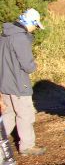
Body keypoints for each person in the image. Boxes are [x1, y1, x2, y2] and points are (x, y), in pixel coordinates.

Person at [0, 8, 46, 156]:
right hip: (19, 83)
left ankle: (1, 142)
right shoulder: (20, 38)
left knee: (8, 114)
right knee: (25, 114)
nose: (35, 29)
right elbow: (27, 65)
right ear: (30, 22)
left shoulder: (5, 35)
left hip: (4, 82)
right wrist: (34, 65)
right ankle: (27, 146)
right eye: (35, 26)